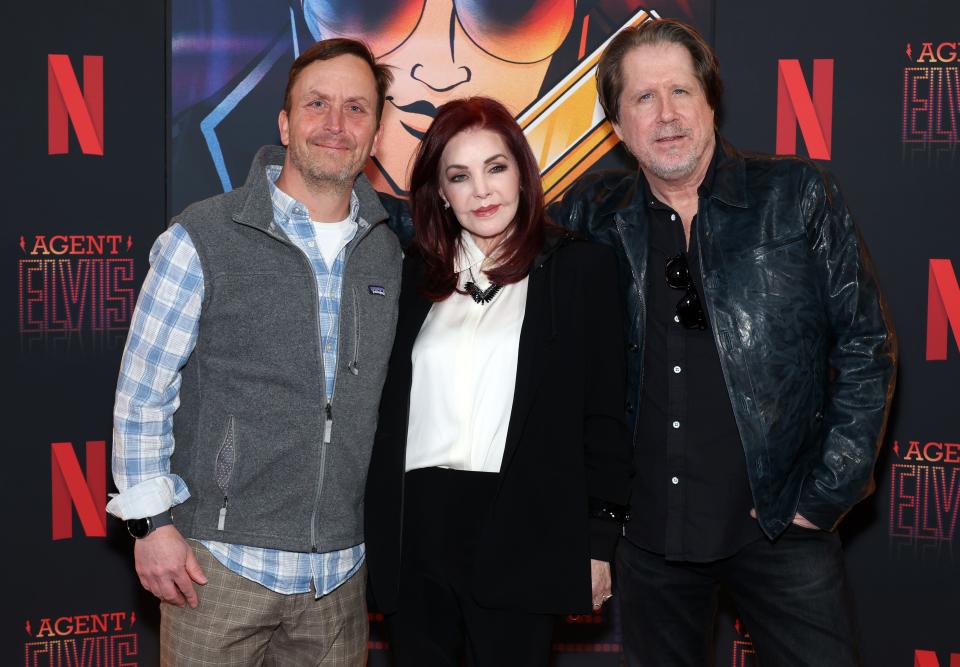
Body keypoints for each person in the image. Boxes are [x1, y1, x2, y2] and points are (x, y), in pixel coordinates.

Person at [547, 18, 898, 666]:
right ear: (618, 126)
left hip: (779, 526)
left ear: (711, 100)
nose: (667, 114)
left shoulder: (796, 199)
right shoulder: (592, 214)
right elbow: (497, 244)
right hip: (649, 537)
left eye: (681, 91)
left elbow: (864, 346)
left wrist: (822, 498)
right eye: (643, 98)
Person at [107, 38, 404, 665]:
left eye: (356, 109)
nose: (335, 124)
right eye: (317, 104)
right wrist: (151, 525)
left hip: (340, 579)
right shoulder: (205, 235)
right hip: (217, 567)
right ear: (285, 121)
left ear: (377, 132)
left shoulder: (389, 251)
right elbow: (143, 389)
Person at [364, 96, 632, 666]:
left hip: (524, 528)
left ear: (522, 173)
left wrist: (598, 543)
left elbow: (604, 416)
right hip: (416, 534)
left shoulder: (579, 268)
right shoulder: (411, 273)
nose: (482, 190)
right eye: (459, 176)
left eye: (496, 167)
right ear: (440, 191)